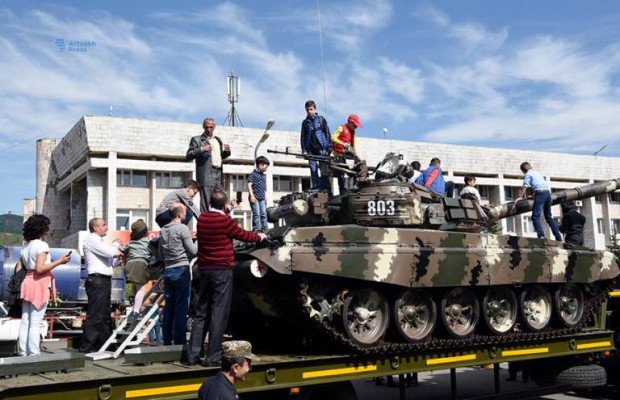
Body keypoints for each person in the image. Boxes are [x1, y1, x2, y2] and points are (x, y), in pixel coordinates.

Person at [185, 191, 267, 366]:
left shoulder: (203, 219)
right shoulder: (226, 222)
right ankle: (212, 356)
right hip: (222, 270)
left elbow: (219, 218)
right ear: (223, 205)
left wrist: (229, 208)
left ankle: (193, 355)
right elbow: (244, 235)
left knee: (202, 312)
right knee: (218, 313)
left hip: (205, 269)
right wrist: (260, 236)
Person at [16, 214, 71, 356]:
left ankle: (23, 352)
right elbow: (40, 269)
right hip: (39, 284)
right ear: (42, 228)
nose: (48, 228)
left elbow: (18, 268)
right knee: (36, 321)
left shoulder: (26, 247)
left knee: (26, 321)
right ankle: (34, 353)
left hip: (27, 283)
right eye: (46, 225)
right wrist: (60, 261)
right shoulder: (42, 245)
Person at [80, 218, 122, 353]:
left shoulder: (99, 242)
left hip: (103, 280)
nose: (106, 227)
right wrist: (117, 245)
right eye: (103, 225)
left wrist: (118, 258)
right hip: (97, 280)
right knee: (96, 315)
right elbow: (110, 252)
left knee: (104, 315)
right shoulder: (92, 240)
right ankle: (88, 347)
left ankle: (104, 345)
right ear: (95, 227)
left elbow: (111, 262)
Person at [158, 203, 197, 345]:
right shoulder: (182, 228)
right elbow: (193, 251)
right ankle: (180, 343)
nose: (186, 215)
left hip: (168, 271)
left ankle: (167, 342)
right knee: (181, 309)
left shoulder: (163, 230)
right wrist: (199, 240)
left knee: (169, 308)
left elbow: (161, 255)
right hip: (181, 270)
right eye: (185, 212)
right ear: (179, 214)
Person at [186, 118, 231, 213]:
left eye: (211, 127)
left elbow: (217, 158)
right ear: (203, 127)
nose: (209, 129)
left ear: (214, 127)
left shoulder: (218, 140)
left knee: (220, 201)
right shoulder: (197, 139)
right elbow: (188, 156)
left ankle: (218, 224)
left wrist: (227, 152)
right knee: (206, 202)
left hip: (218, 174)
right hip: (206, 175)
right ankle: (205, 225)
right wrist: (202, 149)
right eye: (207, 127)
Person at [518, 162, 562, 241]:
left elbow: (525, 186)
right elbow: (540, 185)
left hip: (540, 194)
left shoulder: (528, 175)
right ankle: (558, 236)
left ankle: (541, 235)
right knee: (548, 217)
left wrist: (519, 197)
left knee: (535, 217)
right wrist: (534, 196)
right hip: (547, 193)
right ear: (530, 167)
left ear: (523, 170)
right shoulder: (537, 173)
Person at [300, 100, 331, 190]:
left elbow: (327, 132)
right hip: (310, 149)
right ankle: (316, 187)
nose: (309, 111)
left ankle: (325, 188)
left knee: (324, 169)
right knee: (313, 170)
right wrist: (304, 150)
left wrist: (329, 146)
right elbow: (302, 137)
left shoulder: (321, 119)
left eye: (311, 109)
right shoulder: (305, 122)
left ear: (315, 109)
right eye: (307, 110)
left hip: (322, 148)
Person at [122, 219, 151, 304]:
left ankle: (132, 295)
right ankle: (136, 311)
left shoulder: (130, 243)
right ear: (145, 232)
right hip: (140, 263)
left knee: (136, 282)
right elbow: (154, 252)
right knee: (141, 289)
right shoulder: (148, 242)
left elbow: (123, 249)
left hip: (129, 265)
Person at [331, 114, 362, 194]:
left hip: (348, 156)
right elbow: (333, 138)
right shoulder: (341, 128)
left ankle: (354, 187)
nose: (356, 127)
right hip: (338, 155)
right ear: (350, 122)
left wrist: (355, 154)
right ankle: (342, 192)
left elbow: (353, 144)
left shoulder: (353, 132)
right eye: (355, 125)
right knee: (340, 175)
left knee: (356, 169)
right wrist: (343, 143)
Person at [247, 156, 270, 232]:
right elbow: (249, 185)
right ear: (260, 165)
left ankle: (265, 229)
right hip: (255, 197)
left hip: (262, 197)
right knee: (256, 214)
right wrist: (252, 196)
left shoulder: (263, 175)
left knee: (263, 213)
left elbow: (264, 187)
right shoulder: (253, 174)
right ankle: (255, 229)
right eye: (265, 167)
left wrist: (265, 196)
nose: (266, 169)